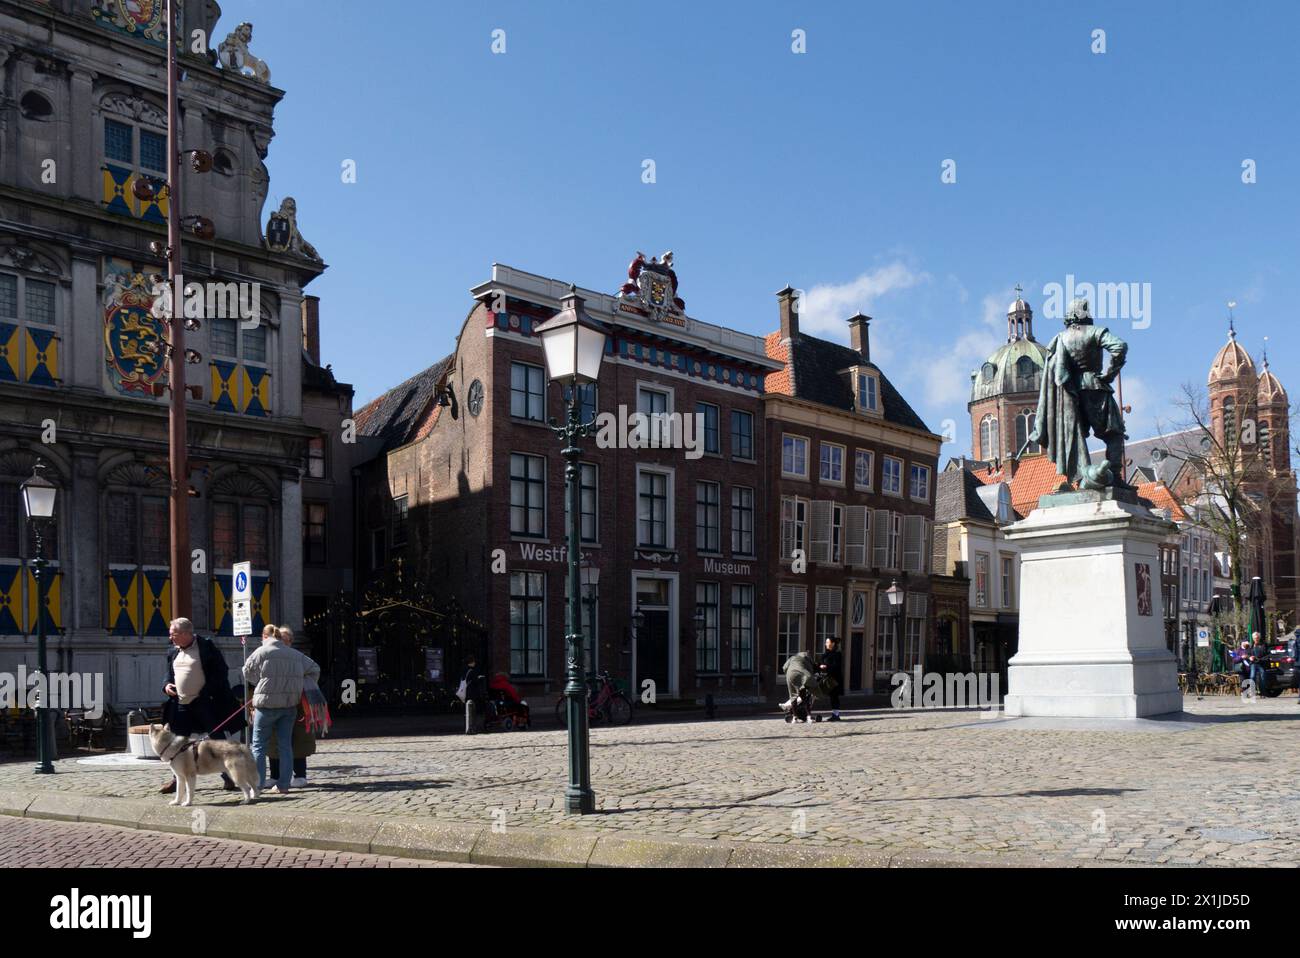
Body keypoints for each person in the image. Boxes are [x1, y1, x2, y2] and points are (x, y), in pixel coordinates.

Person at [159, 617, 244, 794]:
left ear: (185, 634)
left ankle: (229, 776)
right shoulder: (173, 651)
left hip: (205, 703)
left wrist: (205, 693)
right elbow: (168, 673)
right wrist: (167, 685)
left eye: (173, 634)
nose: (171, 638)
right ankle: (178, 778)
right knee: (178, 744)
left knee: (217, 741)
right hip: (181, 704)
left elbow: (221, 673)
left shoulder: (206, 647)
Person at [243, 622, 320, 794]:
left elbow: (246, 671)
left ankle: (258, 784)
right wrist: (300, 685)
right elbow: (315, 669)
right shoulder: (294, 654)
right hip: (289, 705)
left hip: (266, 705)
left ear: (265, 637)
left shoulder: (261, 651)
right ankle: (284, 785)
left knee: (259, 746)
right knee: (285, 745)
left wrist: (260, 683)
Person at [267, 627, 315, 788]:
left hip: (297, 703)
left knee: (298, 739)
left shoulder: (298, 657)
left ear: (291, 642)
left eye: (286, 640)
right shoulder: (270, 655)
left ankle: (300, 775)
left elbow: (314, 671)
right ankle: (274, 775)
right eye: (280, 639)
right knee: (273, 739)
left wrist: (302, 685)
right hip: (274, 702)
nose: (282, 642)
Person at [819, 636, 843, 721]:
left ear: (832, 644)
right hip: (827, 678)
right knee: (832, 696)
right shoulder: (825, 654)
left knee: (834, 696)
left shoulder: (837, 654)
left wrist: (826, 666)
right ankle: (834, 714)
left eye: (827, 642)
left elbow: (836, 666)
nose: (826, 644)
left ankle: (836, 715)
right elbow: (821, 662)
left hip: (835, 678)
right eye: (825, 642)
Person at [462, 654, 487, 734]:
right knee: (472, 710)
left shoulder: (464, 670)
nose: (475, 663)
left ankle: (468, 727)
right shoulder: (471, 671)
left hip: (466, 692)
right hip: (471, 693)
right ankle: (472, 728)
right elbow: (475, 681)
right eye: (473, 662)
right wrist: (479, 678)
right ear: (471, 662)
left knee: (467, 710)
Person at [1248, 632, 1268, 696]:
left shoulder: (1263, 645)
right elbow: (1248, 654)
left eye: (1257, 638)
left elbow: (1266, 654)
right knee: (1252, 676)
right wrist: (1249, 657)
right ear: (1253, 638)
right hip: (1253, 663)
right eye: (1255, 638)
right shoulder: (1251, 645)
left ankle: (1262, 692)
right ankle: (1252, 691)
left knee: (1262, 678)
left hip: (1261, 663)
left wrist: (1259, 658)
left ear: (1259, 638)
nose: (1256, 639)